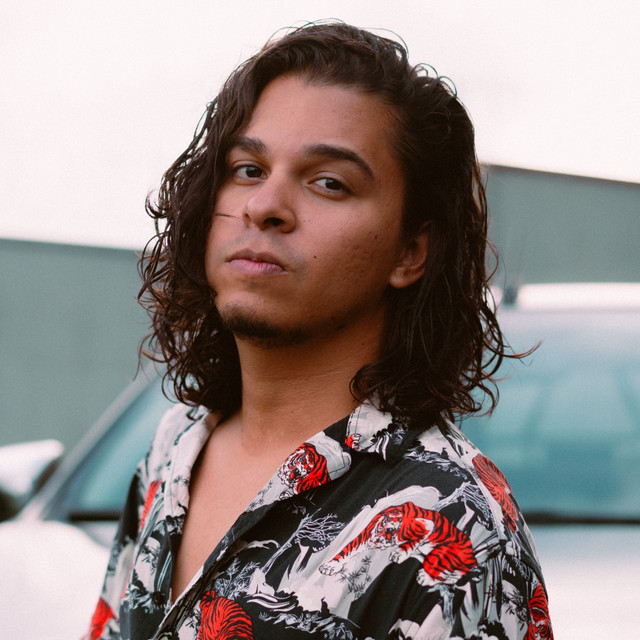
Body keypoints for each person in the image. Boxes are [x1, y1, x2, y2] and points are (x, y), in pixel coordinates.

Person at [87, 21, 553, 640]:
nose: (263, 206)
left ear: (410, 252)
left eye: (329, 182)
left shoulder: (456, 523)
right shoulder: (173, 450)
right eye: (247, 168)